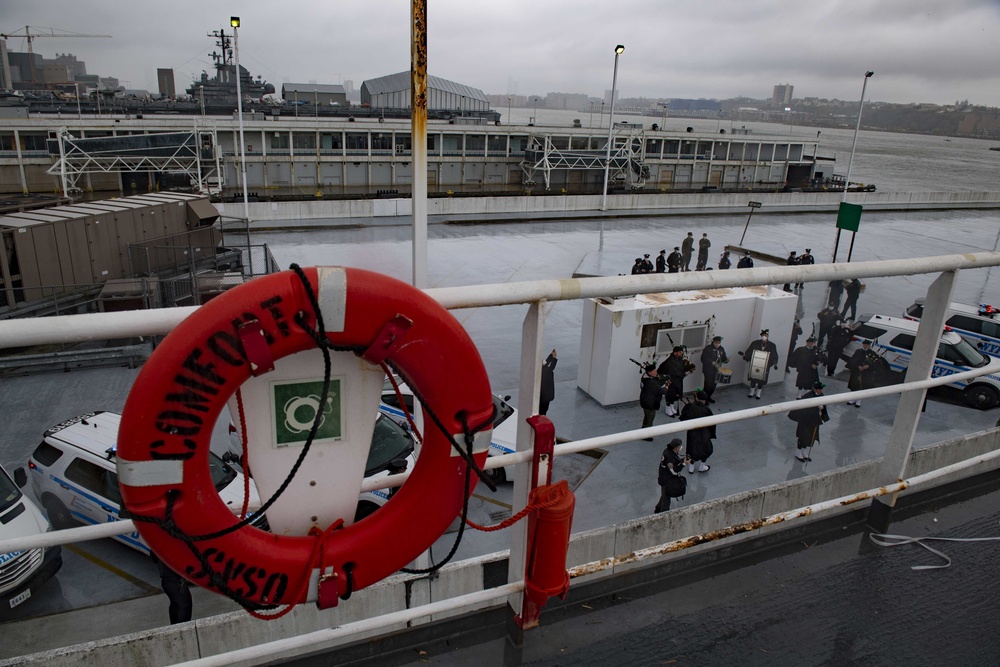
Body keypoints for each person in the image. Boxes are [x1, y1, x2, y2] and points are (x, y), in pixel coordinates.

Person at [788, 381, 829, 462]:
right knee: (803, 436)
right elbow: (803, 408)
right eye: (820, 389)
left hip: (814, 420)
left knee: (810, 437)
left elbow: (823, 406)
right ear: (815, 389)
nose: (821, 391)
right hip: (805, 420)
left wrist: (822, 413)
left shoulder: (821, 395)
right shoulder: (807, 396)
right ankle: (798, 451)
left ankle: (804, 451)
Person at [151, 552, 193, 624]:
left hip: (171, 578)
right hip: (173, 578)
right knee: (183, 606)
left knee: (179, 606)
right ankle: (179, 631)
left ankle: (176, 628)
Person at [680, 390, 715, 472]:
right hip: (704, 431)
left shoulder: (689, 407)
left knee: (691, 448)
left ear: (696, 398)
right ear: (705, 400)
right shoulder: (707, 409)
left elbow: (683, 418)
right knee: (706, 449)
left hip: (692, 431)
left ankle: (691, 468)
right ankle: (702, 466)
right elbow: (712, 422)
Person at [742, 329, 779, 399]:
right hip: (755, 364)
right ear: (761, 336)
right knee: (753, 378)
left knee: (761, 380)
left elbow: (774, 355)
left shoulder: (772, 345)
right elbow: (749, 351)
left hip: (765, 365)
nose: (764, 337)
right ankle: (751, 392)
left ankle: (758, 393)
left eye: (765, 335)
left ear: (768, 336)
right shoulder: (754, 343)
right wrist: (746, 356)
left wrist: (775, 363)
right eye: (762, 335)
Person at [654, 438, 687, 513]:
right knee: (666, 501)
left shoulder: (668, 451)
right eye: (679, 446)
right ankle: (663, 516)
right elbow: (674, 471)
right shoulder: (670, 458)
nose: (680, 447)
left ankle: (658, 509)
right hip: (666, 480)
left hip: (664, 476)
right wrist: (684, 464)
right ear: (676, 447)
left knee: (664, 496)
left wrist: (682, 461)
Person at [657, 346, 692, 417]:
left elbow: (682, 367)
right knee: (670, 394)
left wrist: (689, 368)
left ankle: (672, 406)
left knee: (676, 394)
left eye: (681, 352)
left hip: (678, 381)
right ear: (674, 352)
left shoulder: (679, 359)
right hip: (671, 381)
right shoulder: (670, 362)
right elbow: (673, 372)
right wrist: (683, 374)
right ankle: (668, 408)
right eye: (679, 352)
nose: (681, 354)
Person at [639, 364, 670, 439]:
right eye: (654, 371)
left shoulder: (645, 378)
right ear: (649, 372)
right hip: (650, 403)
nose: (656, 371)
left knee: (646, 417)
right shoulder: (650, 382)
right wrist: (666, 387)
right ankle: (646, 435)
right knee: (650, 419)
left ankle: (643, 430)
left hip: (645, 401)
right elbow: (661, 391)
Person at [846, 339, 880, 407]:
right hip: (857, 371)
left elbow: (876, 363)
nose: (865, 346)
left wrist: (868, 366)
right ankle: (852, 399)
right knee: (854, 385)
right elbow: (853, 360)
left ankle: (858, 400)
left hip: (866, 373)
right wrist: (858, 366)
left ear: (869, 346)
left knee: (862, 386)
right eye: (864, 345)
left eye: (867, 345)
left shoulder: (872, 353)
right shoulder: (858, 351)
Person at [700, 335, 728, 402]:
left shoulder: (721, 349)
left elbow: (723, 357)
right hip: (708, 370)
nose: (718, 344)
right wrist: (711, 362)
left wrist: (726, 360)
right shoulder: (708, 349)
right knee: (708, 385)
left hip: (717, 370)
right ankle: (704, 399)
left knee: (713, 385)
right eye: (716, 342)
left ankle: (709, 397)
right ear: (713, 342)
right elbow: (703, 358)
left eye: (719, 342)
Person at [539, 349, 557, 416]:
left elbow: (545, 363)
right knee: (543, 412)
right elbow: (551, 367)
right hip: (545, 397)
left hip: (541, 396)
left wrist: (551, 356)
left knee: (541, 411)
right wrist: (554, 358)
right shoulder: (546, 371)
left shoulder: (541, 370)